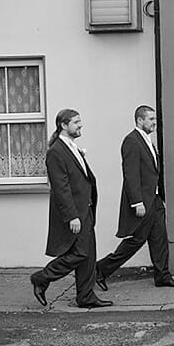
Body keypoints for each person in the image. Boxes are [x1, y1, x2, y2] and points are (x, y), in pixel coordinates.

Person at [95, 105, 174, 291]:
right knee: (136, 240)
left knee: (160, 238)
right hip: (144, 202)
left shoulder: (147, 141)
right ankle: (100, 270)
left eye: (154, 119)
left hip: (155, 199)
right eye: (150, 119)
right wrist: (137, 202)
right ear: (139, 120)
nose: (154, 122)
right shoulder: (132, 141)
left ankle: (162, 275)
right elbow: (131, 174)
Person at [30, 109, 112, 308]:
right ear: (63, 125)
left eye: (80, 121)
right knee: (80, 253)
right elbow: (61, 188)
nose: (80, 125)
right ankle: (42, 277)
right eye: (76, 122)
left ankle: (85, 297)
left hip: (86, 209)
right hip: (75, 213)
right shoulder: (56, 152)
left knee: (88, 255)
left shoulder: (71, 147)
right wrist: (72, 216)